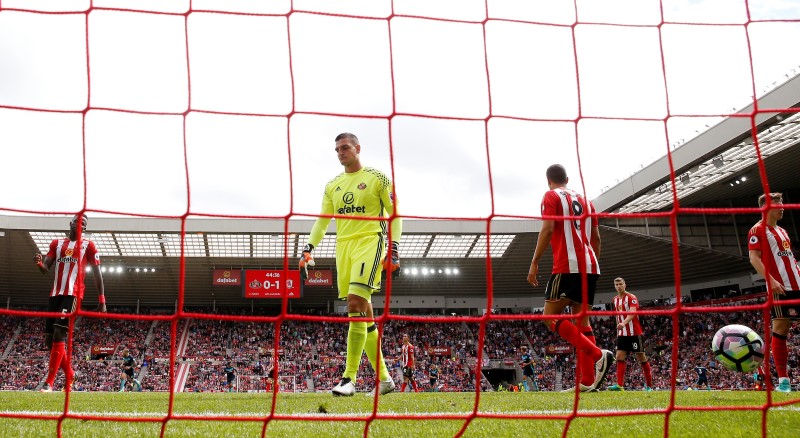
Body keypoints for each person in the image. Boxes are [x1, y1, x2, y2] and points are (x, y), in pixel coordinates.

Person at [300, 132, 400, 397]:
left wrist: (395, 248)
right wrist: (308, 248)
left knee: (354, 304)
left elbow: (395, 215)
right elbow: (322, 221)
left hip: (370, 241)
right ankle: (385, 379)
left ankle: (349, 379)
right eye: (337, 150)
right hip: (343, 248)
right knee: (364, 314)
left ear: (357, 148)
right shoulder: (332, 185)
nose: (340, 153)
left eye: (344, 148)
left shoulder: (378, 178)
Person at [527, 164, 613, 393]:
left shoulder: (551, 195)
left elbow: (547, 229)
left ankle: (598, 355)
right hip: (590, 265)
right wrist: (590, 263)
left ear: (549, 180)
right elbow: (596, 237)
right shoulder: (587, 201)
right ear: (567, 178)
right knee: (581, 322)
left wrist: (534, 262)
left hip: (566, 266)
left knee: (548, 317)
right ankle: (587, 381)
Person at [34, 214, 106, 392]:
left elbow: (97, 272)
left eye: (84, 224)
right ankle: (70, 373)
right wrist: (39, 264)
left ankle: (48, 383)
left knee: (59, 333)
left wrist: (102, 299)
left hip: (73, 295)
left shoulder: (88, 245)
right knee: (49, 341)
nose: (81, 225)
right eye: (78, 221)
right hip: (55, 294)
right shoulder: (56, 243)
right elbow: (46, 269)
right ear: (71, 223)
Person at [748, 192, 800, 393]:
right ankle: (784, 381)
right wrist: (771, 280)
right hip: (781, 288)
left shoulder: (783, 231)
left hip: (797, 283)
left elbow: (789, 259)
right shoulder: (757, 229)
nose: (783, 207)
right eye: (779, 205)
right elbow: (754, 258)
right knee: (781, 328)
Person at [608, 277, 654, 392]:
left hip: (634, 333)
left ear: (625, 285)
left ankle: (649, 386)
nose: (618, 286)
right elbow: (618, 315)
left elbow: (633, 313)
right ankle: (619, 385)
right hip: (622, 333)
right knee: (619, 356)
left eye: (620, 284)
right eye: (616, 284)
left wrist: (623, 323)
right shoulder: (614, 299)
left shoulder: (631, 298)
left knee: (641, 357)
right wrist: (618, 327)